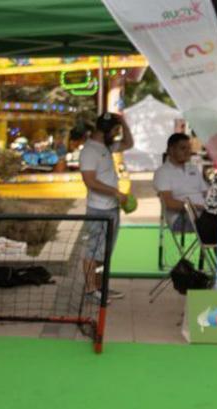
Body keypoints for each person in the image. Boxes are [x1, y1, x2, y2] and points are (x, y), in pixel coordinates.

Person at [78, 112, 133, 303]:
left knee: (104, 251)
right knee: (94, 250)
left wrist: (123, 122)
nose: (118, 135)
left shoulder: (107, 146)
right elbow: (90, 181)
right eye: (115, 131)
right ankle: (90, 289)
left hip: (111, 208)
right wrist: (116, 193)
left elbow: (129, 143)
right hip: (98, 209)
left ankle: (101, 286)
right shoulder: (89, 151)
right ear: (105, 131)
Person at [154, 132, 217, 245]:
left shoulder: (193, 168)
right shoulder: (162, 172)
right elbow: (170, 203)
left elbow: (207, 193)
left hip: (204, 215)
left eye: (189, 148)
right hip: (181, 218)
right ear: (171, 150)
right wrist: (198, 207)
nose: (188, 152)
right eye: (183, 148)